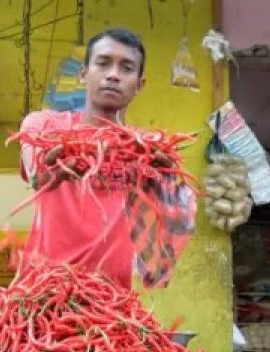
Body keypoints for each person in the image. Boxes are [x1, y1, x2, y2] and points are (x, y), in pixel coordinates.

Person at [19, 28, 176, 289]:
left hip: (112, 303)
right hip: (45, 297)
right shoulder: (45, 126)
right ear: (83, 74)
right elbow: (36, 171)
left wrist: (165, 193)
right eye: (103, 64)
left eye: (126, 68)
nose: (113, 75)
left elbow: (160, 231)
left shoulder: (147, 149)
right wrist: (42, 174)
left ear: (139, 85)